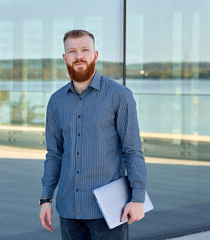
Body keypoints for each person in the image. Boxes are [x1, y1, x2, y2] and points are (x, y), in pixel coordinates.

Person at [39, 29, 147, 240]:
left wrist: (138, 198)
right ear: (65, 58)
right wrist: (45, 199)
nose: (79, 56)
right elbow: (54, 154)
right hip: (69, 209)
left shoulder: (119, 96)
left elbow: (132, 151)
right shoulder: (56, 102)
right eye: (72, 51)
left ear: (95, 55)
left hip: (109, 210)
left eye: (85, 50)